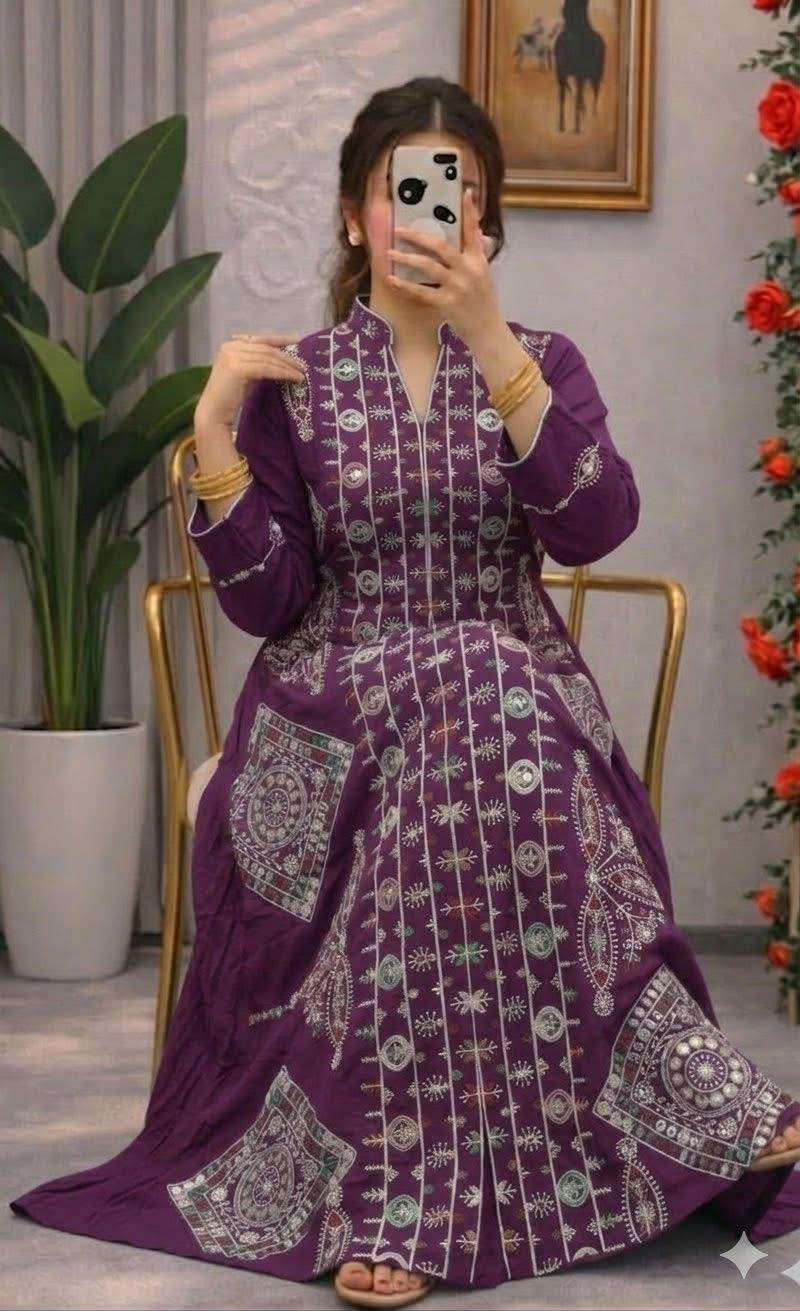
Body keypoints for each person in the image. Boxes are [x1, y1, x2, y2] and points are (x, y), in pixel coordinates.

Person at [9, 75, 800, 1311]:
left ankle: (406, 1189)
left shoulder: (540, 360)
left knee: (482, 686)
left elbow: (593, 526)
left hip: (508, 697)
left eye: (459, 193)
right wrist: (213, 438)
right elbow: (269, 602)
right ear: (352, 213)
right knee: (474, 688)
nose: (430, 213)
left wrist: (493, 346)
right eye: (404, 189)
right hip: (333, 700)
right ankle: (662, 1101)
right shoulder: (295, 380)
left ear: (485, 221)